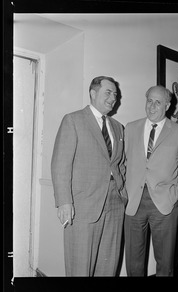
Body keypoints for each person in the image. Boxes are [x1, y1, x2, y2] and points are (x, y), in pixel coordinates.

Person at [51, 76, 127, 276]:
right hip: (83, 205)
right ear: (93, 93)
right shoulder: (73, 120)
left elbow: (120, 164)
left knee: (108, 266)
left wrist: (122, 192)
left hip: (114, 203)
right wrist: (64, 202)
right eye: (108, 93)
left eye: (115, 95)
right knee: (80, 267)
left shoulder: (118, 127)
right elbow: (60, 164)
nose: (113, 98)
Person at [124, 85, 178, 276]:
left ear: (168, 106)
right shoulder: (131, 128)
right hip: (134, 203)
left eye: (158, 102)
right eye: (149, 101)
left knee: (164, 264)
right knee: (133, 263)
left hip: (165, 204)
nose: (152, 106)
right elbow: (122, 163)